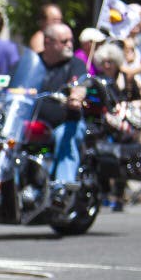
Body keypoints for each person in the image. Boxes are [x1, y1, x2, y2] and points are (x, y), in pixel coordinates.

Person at [92, 42, 141, 212]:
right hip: (103, 124)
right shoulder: (96, 80)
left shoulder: (126, 78)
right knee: (102, 154)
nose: (107, 65)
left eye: (111, 61)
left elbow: (136, 98)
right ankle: (104, 193)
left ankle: (119, 194)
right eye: (104, 62)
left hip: (123, 125)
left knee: (125, 154)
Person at [37, 23, 88, 189]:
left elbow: (80, 84)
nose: (70, 45)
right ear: (48, 42)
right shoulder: (33, 62)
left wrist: (76, 97)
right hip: (36, 124)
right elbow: (13, 82)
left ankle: (62, 189)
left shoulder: (76, 64)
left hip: (64, 122)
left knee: (65, 136)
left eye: (71, 40)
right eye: (64, 41)